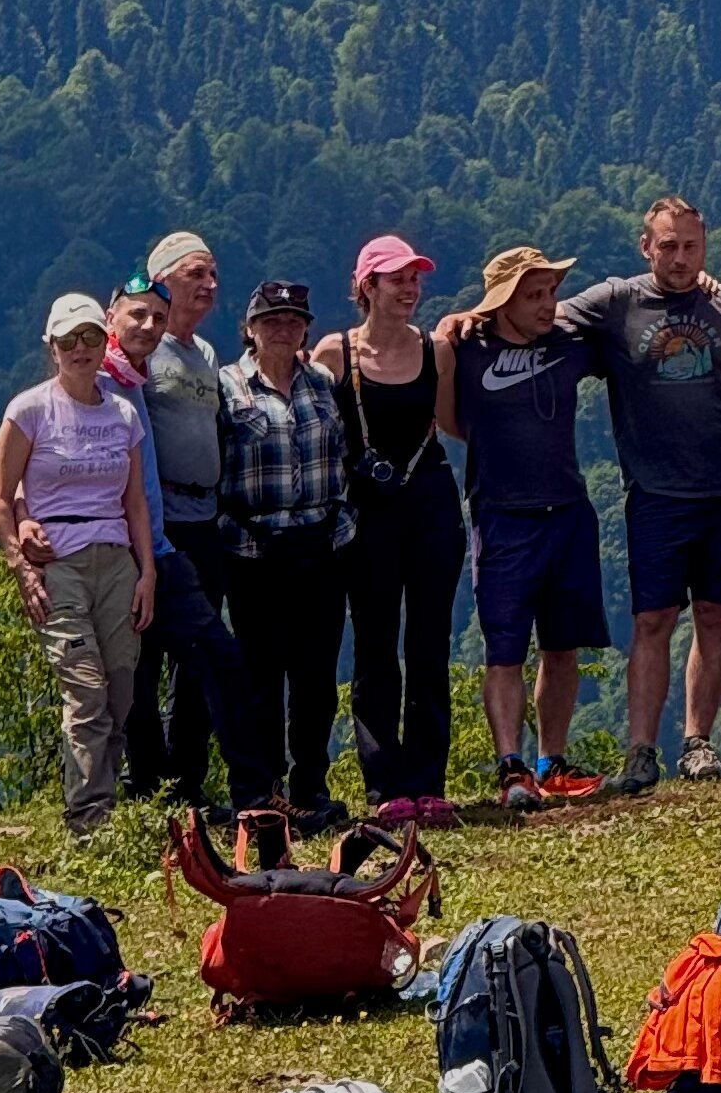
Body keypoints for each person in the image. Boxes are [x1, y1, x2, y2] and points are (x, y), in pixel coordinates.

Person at [561, 198, 721, 792]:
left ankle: (698, 743)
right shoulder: (616, 302)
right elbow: (538, 316)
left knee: (715, 614)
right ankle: (641, 752)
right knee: (653, 619)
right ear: (645, 246)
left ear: (706, 246)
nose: (680, 257)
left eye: (691, 246)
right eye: (668, 245)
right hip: (655, 490)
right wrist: (462, 323)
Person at [432, 245, 612, 811]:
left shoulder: (569, 344)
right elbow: (447, 419)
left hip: (569, 510)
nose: (546, 305)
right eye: (533, 295)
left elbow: (620, 315)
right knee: (504, 649)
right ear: (502, 302)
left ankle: (550, 761)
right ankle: (511, 766)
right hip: (502, 515)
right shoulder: (465, 349)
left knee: (562, 646)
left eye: (550, 292)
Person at [0, 290, 157, 835]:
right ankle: (89, 815)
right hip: (59, 561)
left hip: (117, 561)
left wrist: (147, 570)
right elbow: (0, 496)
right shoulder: (30, 409)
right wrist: (20, 564)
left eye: (90, 337)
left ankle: (101, 799)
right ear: (52, 348)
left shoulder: (124, 414)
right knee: (84, 688)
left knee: (121, 688)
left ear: (102, 341)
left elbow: (134, 501)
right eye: (69, 341)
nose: (81, 349)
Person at [317, 232, 467, 825]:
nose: (410, 289)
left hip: (431, 503)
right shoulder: (335, 354)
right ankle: (384, 786)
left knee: (430, 644)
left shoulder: (438, 352)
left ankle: (429, 781)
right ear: (366, 287)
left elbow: (453, 421)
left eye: (415, 278)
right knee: (376, 647)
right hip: (369, 510)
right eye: (396, 279)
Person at [104, 269, 266, 813]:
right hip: (119, 545)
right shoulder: (98, 380)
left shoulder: (141, 374)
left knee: (211, 658)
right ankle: (150, 792)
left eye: (156, 316)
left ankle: (216, 792)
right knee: (139, 668)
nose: (148, 325)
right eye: (138, 315)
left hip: (172, 540)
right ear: (111, 316)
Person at [216, 278, 354, 828]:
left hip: (321, 545)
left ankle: (311, 785)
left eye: (294, 320)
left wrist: (342, 522)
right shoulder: (226, 388)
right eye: (271, 319)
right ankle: (266, 789)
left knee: (317, 676)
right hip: (254, 550)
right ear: (249, 327)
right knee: (261, 676)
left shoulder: (321, 383)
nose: (283, 328)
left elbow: (343, 453)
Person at [124, 229, 229, 801]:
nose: (209, 285)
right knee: (143, 656)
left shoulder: (207, 355)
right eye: (195, 274)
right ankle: (146, 781)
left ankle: (188, 781)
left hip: (205, 519)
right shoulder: (143, 351)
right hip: (155, 524)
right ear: (161, 278)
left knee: (201, 662)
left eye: (213, 275)